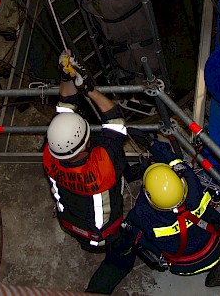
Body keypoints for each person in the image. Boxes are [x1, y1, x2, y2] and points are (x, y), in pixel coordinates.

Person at [42, 50, 137, 294]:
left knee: (114, 154)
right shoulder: (103, 166)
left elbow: (65, 108)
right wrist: (89, 88)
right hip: (103, 233)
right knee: (125, 252)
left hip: (71, 222)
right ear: (85, 144)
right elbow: (115, 120)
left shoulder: (49, 155)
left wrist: (66, 77)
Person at [126, 137, 220, 287]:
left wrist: (144, 171)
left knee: (134, 230)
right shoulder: (192, 185)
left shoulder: (144, 213)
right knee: (211, 217)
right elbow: (177, 163)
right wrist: (152, 144)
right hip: (216, 246)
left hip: (184, 266)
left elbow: (134, 217)